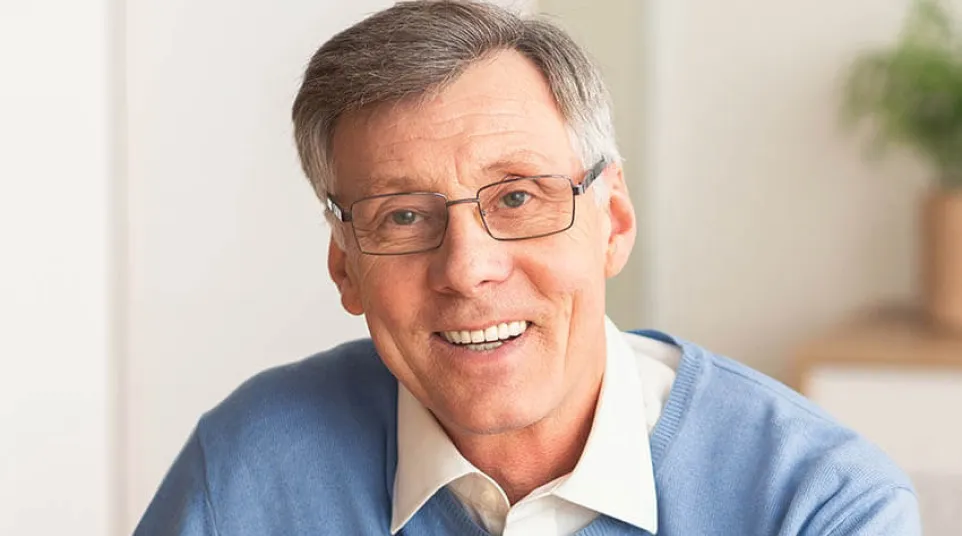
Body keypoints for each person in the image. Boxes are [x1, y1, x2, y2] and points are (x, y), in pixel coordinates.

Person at [134, 1, 921, 534]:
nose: (468, 269)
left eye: (517, 198)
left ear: (611, 220)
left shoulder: (820, 505)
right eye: (403, 216)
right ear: (345, 266)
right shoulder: (244, 471)